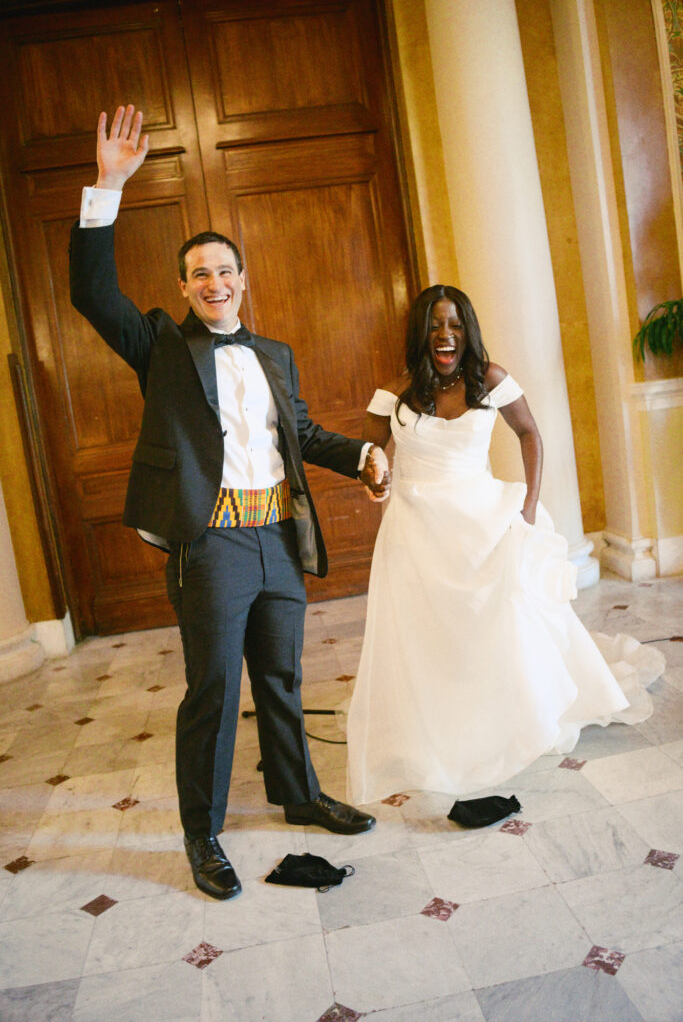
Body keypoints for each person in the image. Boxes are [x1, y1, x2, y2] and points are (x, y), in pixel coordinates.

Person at [70, 105, 391, 900]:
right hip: (210, 545)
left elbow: (303, 434)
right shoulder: (161, 348)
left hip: (277, 537)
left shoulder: (273, 354)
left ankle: (299, 794)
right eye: (199, 274)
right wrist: (108, 184)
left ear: (243, 280)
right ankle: (202, 833)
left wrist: (361, 454)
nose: (214, 283)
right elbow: (91, 291)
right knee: (213, 689)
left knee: (279, 678)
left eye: (225, 270)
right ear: (184, 287)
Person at [346, 284, 664, 814]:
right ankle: (440, 721)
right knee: (427, 631)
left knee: (498, 622)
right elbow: (371, 458)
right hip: (415, 531)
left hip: (482, 523)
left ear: (467, 330)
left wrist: (529, 507)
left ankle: (507, 714)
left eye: (454, 325)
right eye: (434, 326)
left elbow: (530, 434)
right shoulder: (391, 394)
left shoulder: (490, 379)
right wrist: (374, 477)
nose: (445, 336)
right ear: (419, 335)